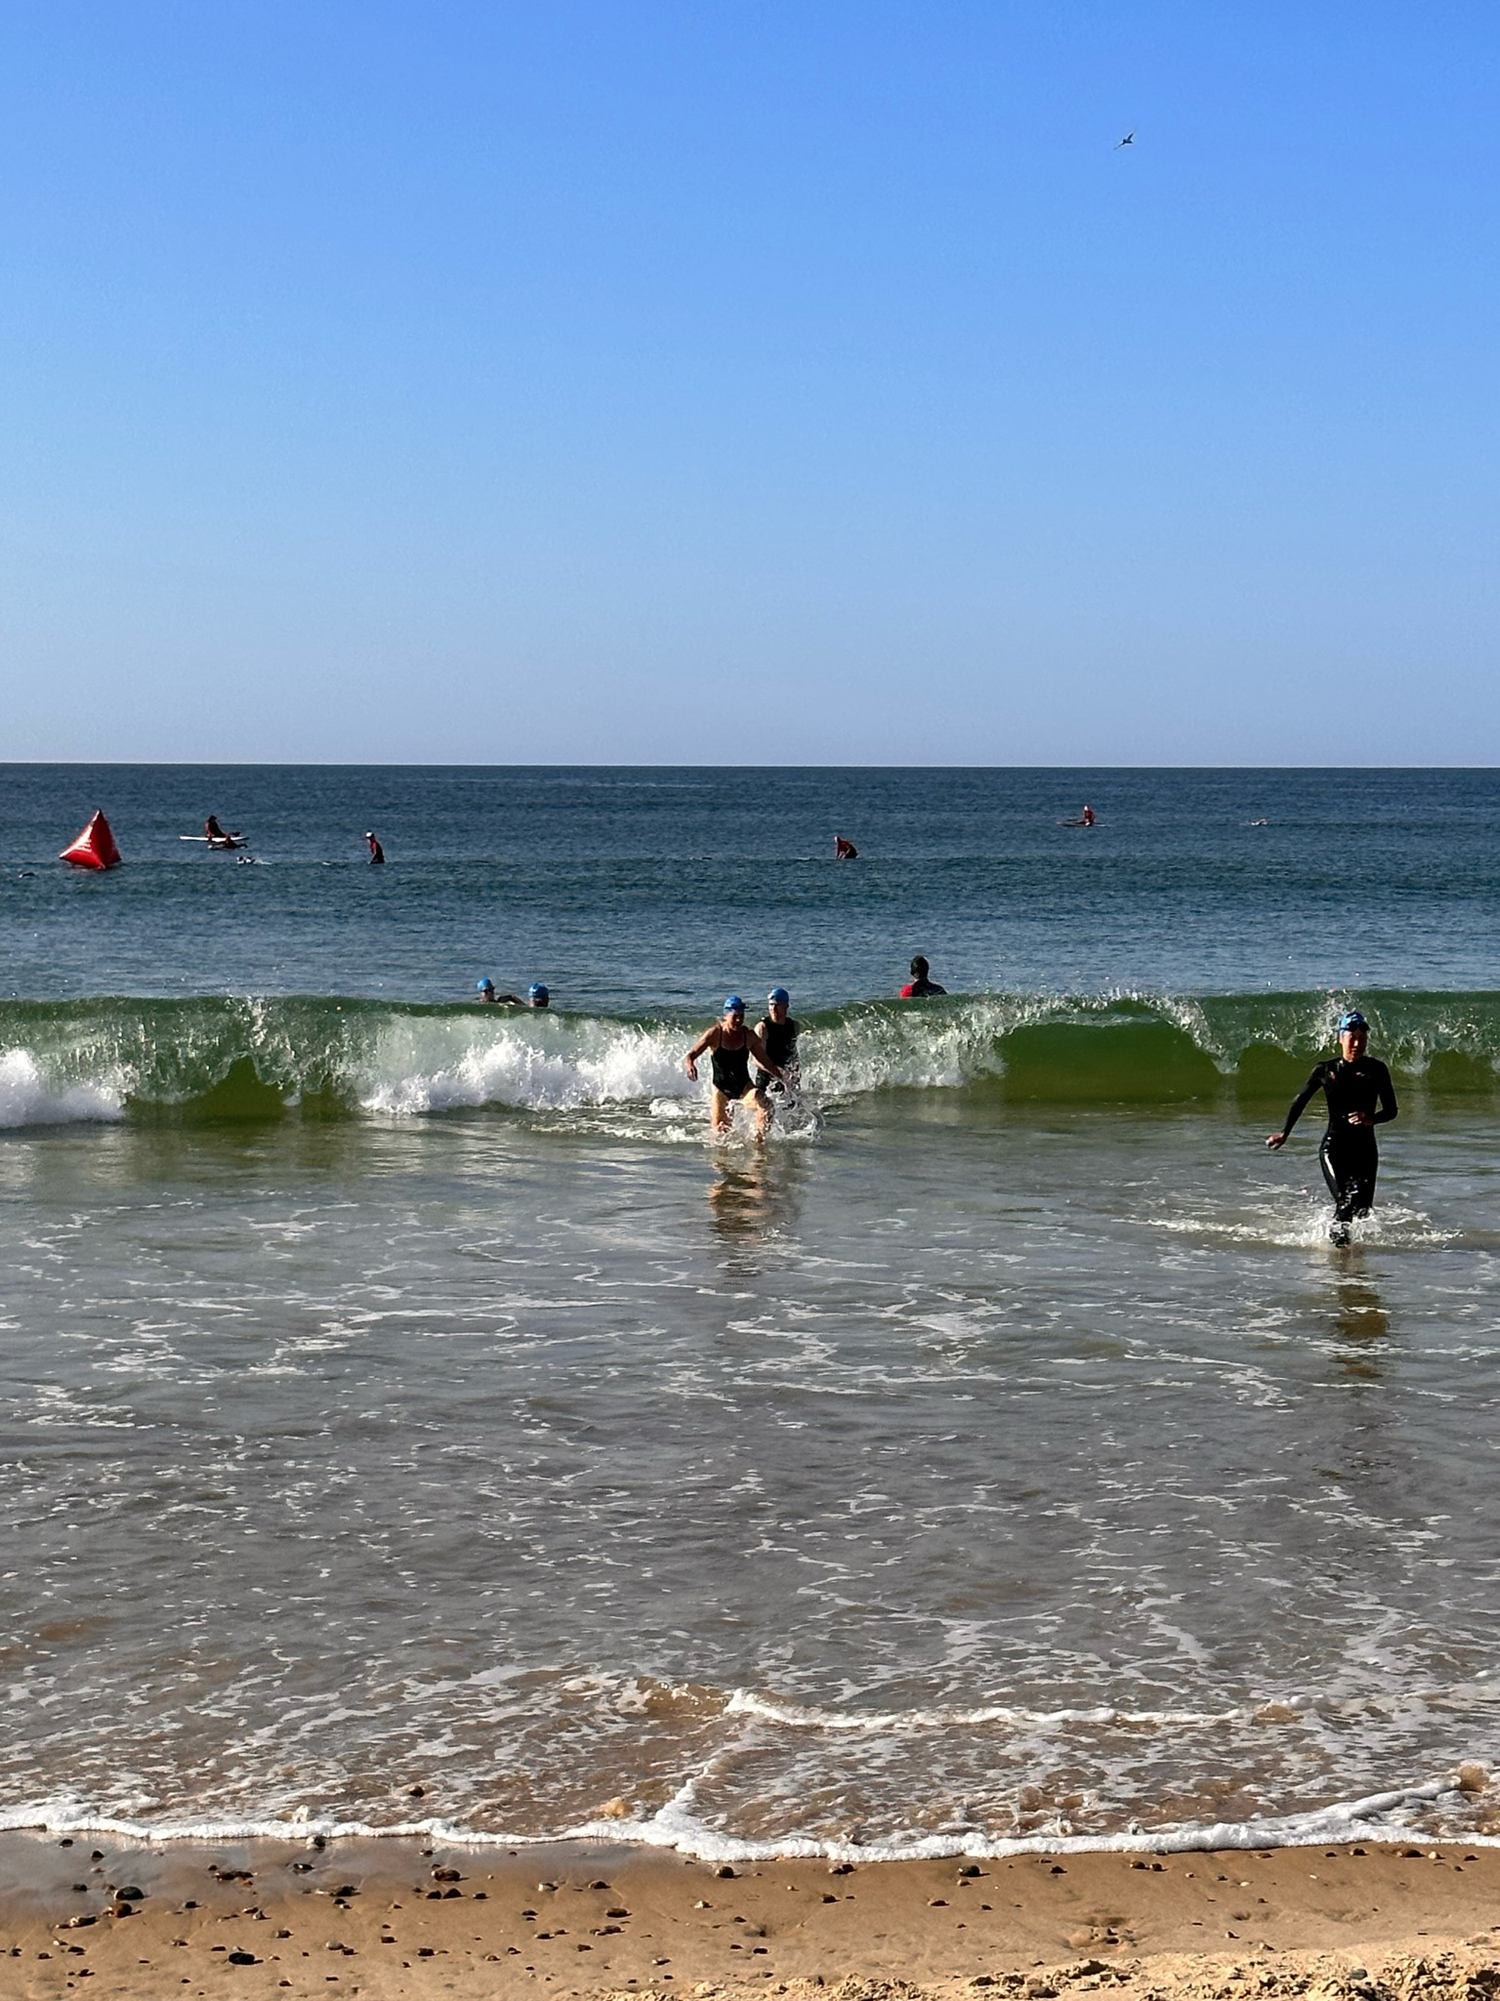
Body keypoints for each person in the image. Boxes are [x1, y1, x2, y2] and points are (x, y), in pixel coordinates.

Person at [1266, 1011, 1398, 1245]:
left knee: (1362, 1210)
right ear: (1341, 1038)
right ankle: (1339, 1257)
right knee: (1346, 1202)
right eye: (1352, 1038)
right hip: (1334, 1148)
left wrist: (1370, 1118)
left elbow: (1391, 1110)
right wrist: (1285, 1133)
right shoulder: (1326, 1070)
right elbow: (1300, 1100)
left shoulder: (1377, 1069)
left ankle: (1345, 1259)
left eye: (1362, 1038)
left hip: (1365, 1151)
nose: (1357, 1044)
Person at [685, 996, 784, 1138]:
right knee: (720, 1135)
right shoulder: (715, 1034)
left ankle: (759, 1142)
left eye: (741, 1016)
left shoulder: (748, 1036)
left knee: (766, 1104)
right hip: (721, 1089)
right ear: (726, 1016)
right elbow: (691, 1055)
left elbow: (765, 1060)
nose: (739, 1020)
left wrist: (780, 1076)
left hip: (744, 1087)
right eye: (735, 1016)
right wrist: (690, 1065)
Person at [754, 987, 801, 1106]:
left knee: (793, 1110)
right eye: (771, 1005)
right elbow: (755, 1060)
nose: (774, 1009)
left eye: (778, 1005)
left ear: (786, 1006)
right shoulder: (763, 1027)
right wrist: (777, 1072)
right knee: (765, 1111)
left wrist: (795, 1074)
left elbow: (793, 1052)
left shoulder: (794, 1026)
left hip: (786, 1078)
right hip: (766, 1078)